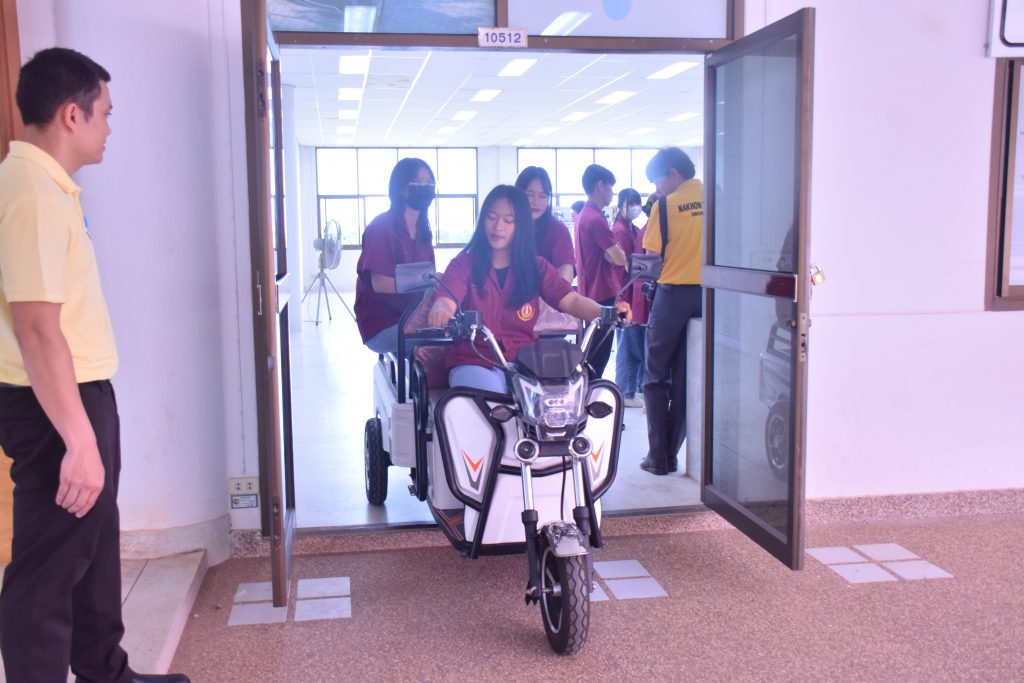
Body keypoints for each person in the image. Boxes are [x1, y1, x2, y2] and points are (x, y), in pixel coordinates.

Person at [0, 47, 190, 683]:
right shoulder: (30, 192)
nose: (109, 127)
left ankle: (105, 671)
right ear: (71, 115)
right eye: (104, 113)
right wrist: (79, 441)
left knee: (93, 546)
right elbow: (34, 326)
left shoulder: (48, 188)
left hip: (77, 394)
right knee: (48, 568)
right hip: (55, 405)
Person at [427, 185, 629, 394]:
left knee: (564, 396)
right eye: (491, 217)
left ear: (521, 225)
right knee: (494, 396)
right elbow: (446, 299)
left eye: (509, 220)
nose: (498, 226)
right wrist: (442, 310)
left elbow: (571, 300)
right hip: (474, 360)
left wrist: (607, 312)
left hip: (525, 362)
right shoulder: (463, 264)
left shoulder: (536, 267)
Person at [639, 147, 704, 476]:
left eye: (658, 181)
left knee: (655, 377)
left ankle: (658, 456)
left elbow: (651, 257)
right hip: (707, 297)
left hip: (671, 296)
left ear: (673, 174)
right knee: (685, 378)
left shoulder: (664, 206)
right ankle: (673, 453)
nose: (657, 189)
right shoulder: (716, 198)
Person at [354, 157, 437, 355]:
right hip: (382, 326)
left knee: (456, 335)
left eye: (429, 183)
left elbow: (430, 276)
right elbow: (380, 283)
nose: (425, 187)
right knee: (440, 344)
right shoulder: (381, 227)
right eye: (417, 182)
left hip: (413, 317)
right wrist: (426, 283)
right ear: (400, 189)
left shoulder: (423, 231)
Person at [574, 164, 627, 378]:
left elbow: (610, 255)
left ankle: (588, 390)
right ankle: (592, 393)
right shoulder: (596, 219)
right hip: (602, 295)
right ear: (600, 185)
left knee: (591, 352)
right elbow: (619, 258)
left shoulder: (583, 215)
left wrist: (610, 254)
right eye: (610, 187)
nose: (612, 192)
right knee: (598, 356)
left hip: (589, 293)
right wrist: (614, 253)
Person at [611, 188, 645, 408]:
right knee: (628, 343)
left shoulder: (633, 229)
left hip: (632, 292)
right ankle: (626, 391)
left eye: (637, 203)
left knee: (632, 341)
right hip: (625, 293)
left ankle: (629, 389)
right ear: (622, 204)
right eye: (631, 203)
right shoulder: (620, 231)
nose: (635, 207)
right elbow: (627, 265)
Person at [514, 166, 574, 282]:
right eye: (529, 195)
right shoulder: (506, 226)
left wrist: (558, 290)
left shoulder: (557, 230)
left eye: (543, 196)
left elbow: (566, 268)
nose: (536, 202)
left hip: (545, 292)